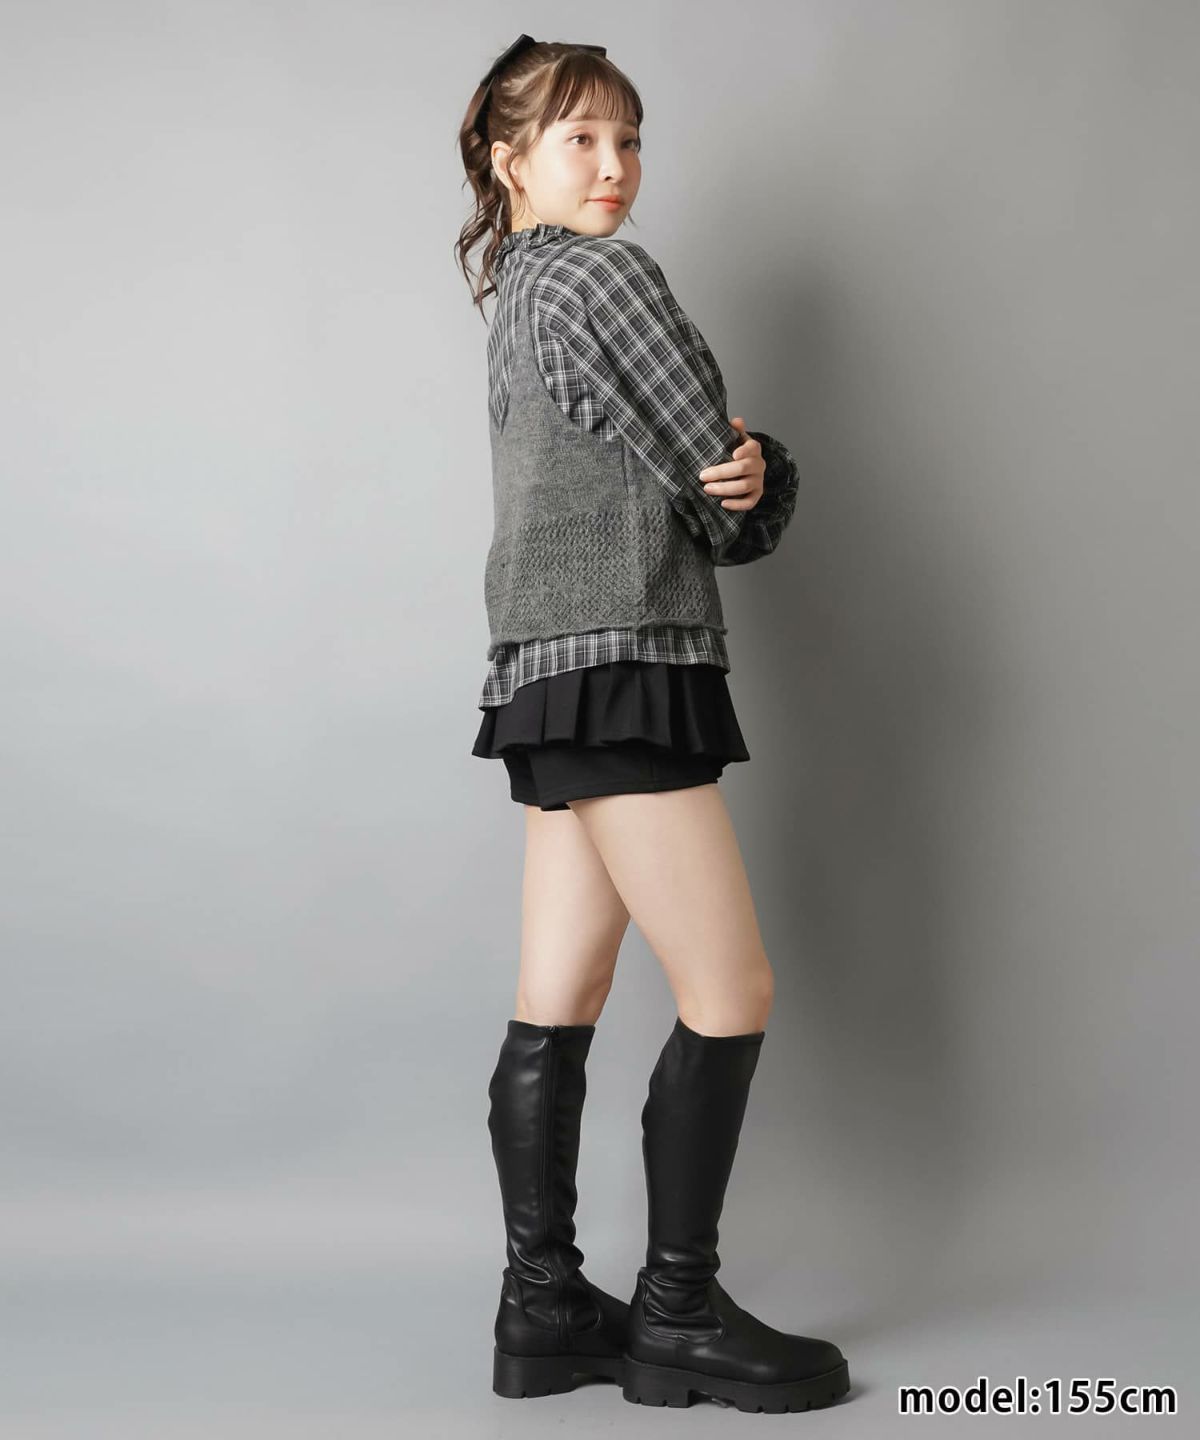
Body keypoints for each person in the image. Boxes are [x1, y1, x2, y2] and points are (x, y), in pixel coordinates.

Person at [454, 34, 851, 1415]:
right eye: (581, 138)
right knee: (731, 991)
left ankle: (545, 1310)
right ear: (510, 158)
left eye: (628, 139)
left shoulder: (517, 293)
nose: (614, 166)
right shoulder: (607, 277)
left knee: (554, 1001)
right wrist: (764, 468)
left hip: (540, 675)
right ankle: (677, 1312)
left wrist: (728, 474)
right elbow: (724, 500)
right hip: (629, 658)